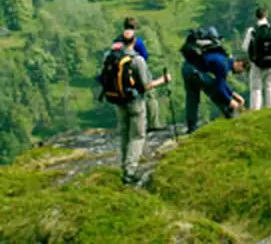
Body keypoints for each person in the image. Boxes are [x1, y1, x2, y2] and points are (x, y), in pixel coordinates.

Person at [97, 37, 171, 185]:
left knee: (125, 134)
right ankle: (130, 172)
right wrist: (163, 81)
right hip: (135, 102)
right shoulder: (137, 60)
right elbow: (145, 85)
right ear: (134, 42)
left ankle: (124, 165)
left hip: (118, 101)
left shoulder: (110, 57)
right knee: (137, 136)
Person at [179, 26, 247, 133]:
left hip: (187, 68)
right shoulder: (224, 65)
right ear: (239, 63)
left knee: (192, 98)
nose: (240, 73)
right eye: (242, 70)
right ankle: (231, 114)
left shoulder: (223, 60)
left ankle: (191, 128)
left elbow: (222, 83)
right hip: (195, 72)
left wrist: (234, 94)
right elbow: (220, 86)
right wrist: (230, 101)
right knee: (214, 89)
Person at [117, 17, 166, 131]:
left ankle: (127, 126)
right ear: (135, 26)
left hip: (121, 74)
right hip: (136, 70)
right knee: (150, 95)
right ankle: (153, 124)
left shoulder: (118, 40)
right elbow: (144, 56)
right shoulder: (136, 40)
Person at [241, 7, 271, 110]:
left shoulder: (252, 31)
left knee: (256, 88)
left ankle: (255, 110)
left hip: (257, 64)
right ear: (266, 15)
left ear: (256, 16)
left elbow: (244, 47)